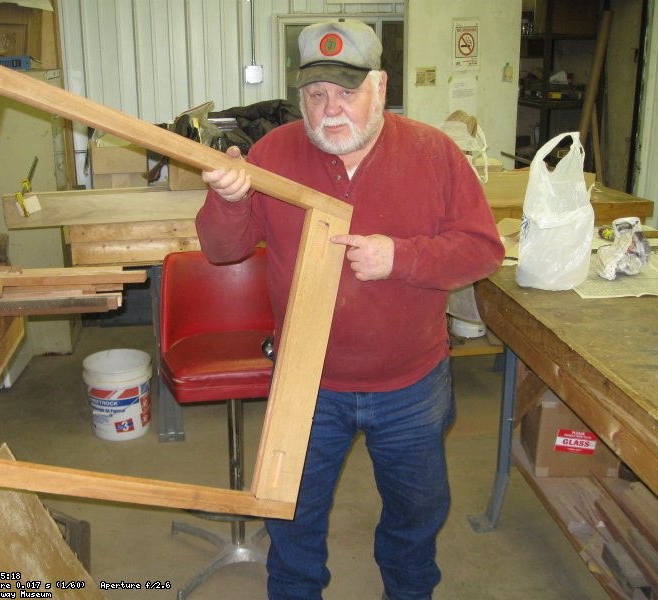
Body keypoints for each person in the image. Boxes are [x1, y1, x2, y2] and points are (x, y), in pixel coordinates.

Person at [196, 19, 504, 600]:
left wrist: (401, 257)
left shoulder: (433, 152)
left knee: (415, 522)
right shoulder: (273, 153)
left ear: (380, 87)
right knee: (291, 521)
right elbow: (221, 249)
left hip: (412, 385)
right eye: (316, 95)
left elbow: (482, 249)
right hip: (305, 384)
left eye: (346, 91)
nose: (330, 109)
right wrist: (228, 199)